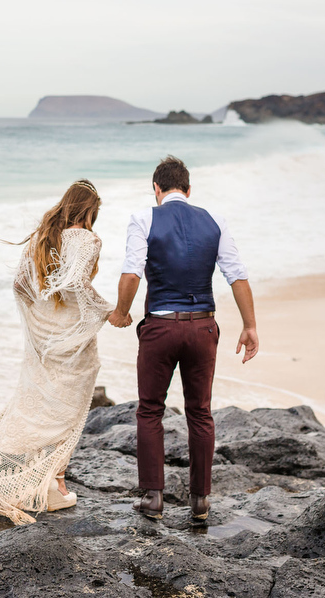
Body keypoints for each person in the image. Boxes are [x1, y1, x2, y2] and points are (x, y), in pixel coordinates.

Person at [107, 156, 258, 521]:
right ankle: (200, 501)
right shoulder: (214, 220)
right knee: (200, 413)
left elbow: (131, 273)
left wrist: (121, 312)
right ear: (188, 190)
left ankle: (153, 499)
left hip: (160, 328)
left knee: (150, 410)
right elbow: (236, 276)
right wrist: (250, 326)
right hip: (203, 328)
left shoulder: (144, 218)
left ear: (156, 189)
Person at [0, 180, 113, 525]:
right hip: (72, 337)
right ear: (89, 211)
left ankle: (17, 472)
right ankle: (54, 485)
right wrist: (108, 311)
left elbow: (20, 286)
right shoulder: (87, 239)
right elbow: (78, 285)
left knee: (38, 402)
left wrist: (37, 322)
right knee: (68, 410)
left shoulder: (43, 238)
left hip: (45, 336)